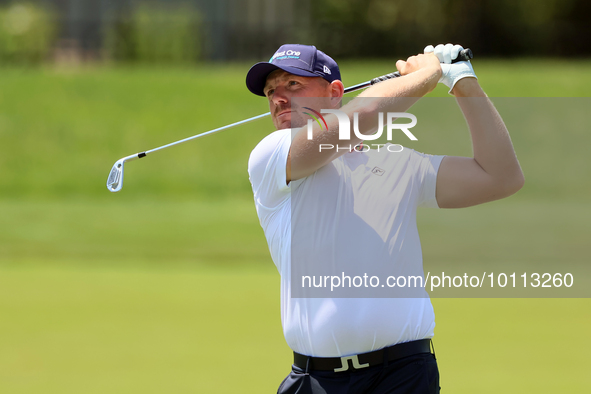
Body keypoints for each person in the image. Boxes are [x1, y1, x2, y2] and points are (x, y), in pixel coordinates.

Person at [246, 43, 524, 394]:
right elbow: (367, 112)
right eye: (271, 91)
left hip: (404, 377)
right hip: (316, 382)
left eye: (293, 85)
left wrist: (463, 81)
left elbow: (501, 177)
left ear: (335, 93)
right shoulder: (272, 156)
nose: (278, 98)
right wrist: (432, 71)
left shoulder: (398, 163)